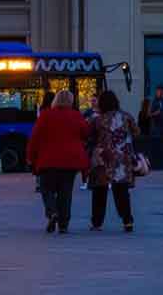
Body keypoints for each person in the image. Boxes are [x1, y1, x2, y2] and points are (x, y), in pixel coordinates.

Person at [27, 90, 89, 234]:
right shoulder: (76, 115)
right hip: (71, 161)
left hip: (48, 161)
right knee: (65, 192)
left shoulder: (46, 115)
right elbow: (86, 133)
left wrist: (30, 157)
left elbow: (35, 138)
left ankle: (52, 211)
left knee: (46, 188)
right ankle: (63, 224)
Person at [88, 90, 140, 232]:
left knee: (99, 191)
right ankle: (127, 220)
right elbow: (137, 132)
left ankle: (97, 222)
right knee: (121, 191)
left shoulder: (97, 120)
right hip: (122, 157)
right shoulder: (126, 116)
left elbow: (89, 135)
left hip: (103, 158)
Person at [33, 92, 56, 193]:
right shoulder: (55, 111)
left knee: (40, 163)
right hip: (52, 141)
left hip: (42, 141)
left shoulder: (41, 110)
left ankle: (39, 184)